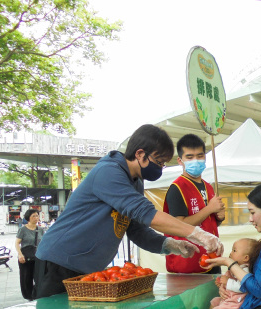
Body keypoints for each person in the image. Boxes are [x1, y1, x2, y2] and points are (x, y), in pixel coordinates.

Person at [33, 125, 222, 299]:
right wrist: (196, 233)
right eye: (159, 161)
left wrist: (169, 244)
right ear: (140, 154)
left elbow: (137, 230)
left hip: (88, 268)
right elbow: (143, 212)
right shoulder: (108, 172)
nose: (161, 168)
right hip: (59, 262)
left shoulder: (136, 182)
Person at [163, 134, 226, 274]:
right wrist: (210, 209)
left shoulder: (208, 187)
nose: (196, 160)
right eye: (189, 157)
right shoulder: (177, 188)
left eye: (199, 156)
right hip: (188, 263)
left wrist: (219, 217)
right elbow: (179, 225)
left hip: (211, 257)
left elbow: (209, 222)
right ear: (180, 160)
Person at [189, 238, 258, 309]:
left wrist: (227, 282)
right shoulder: (236, 266)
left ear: (246, 258)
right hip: (229, 299)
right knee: (215, 301)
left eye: (234, 250)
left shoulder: (246, 269)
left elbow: (243, 286)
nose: (231, 253)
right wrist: (221, 284)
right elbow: (228, 280)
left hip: (236, 304)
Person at [15, 209, 45, 300]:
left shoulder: (40, 229)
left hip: (37, 257)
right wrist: (20, 255)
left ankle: (36, 294)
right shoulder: (23, 229)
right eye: (33, 216)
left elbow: (43, 243)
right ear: (28, 218)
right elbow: (17, 243)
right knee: (26, 278)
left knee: (38, 277)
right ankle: (28, 296)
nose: (36, 218)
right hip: (25, 257)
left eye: (37, 216)